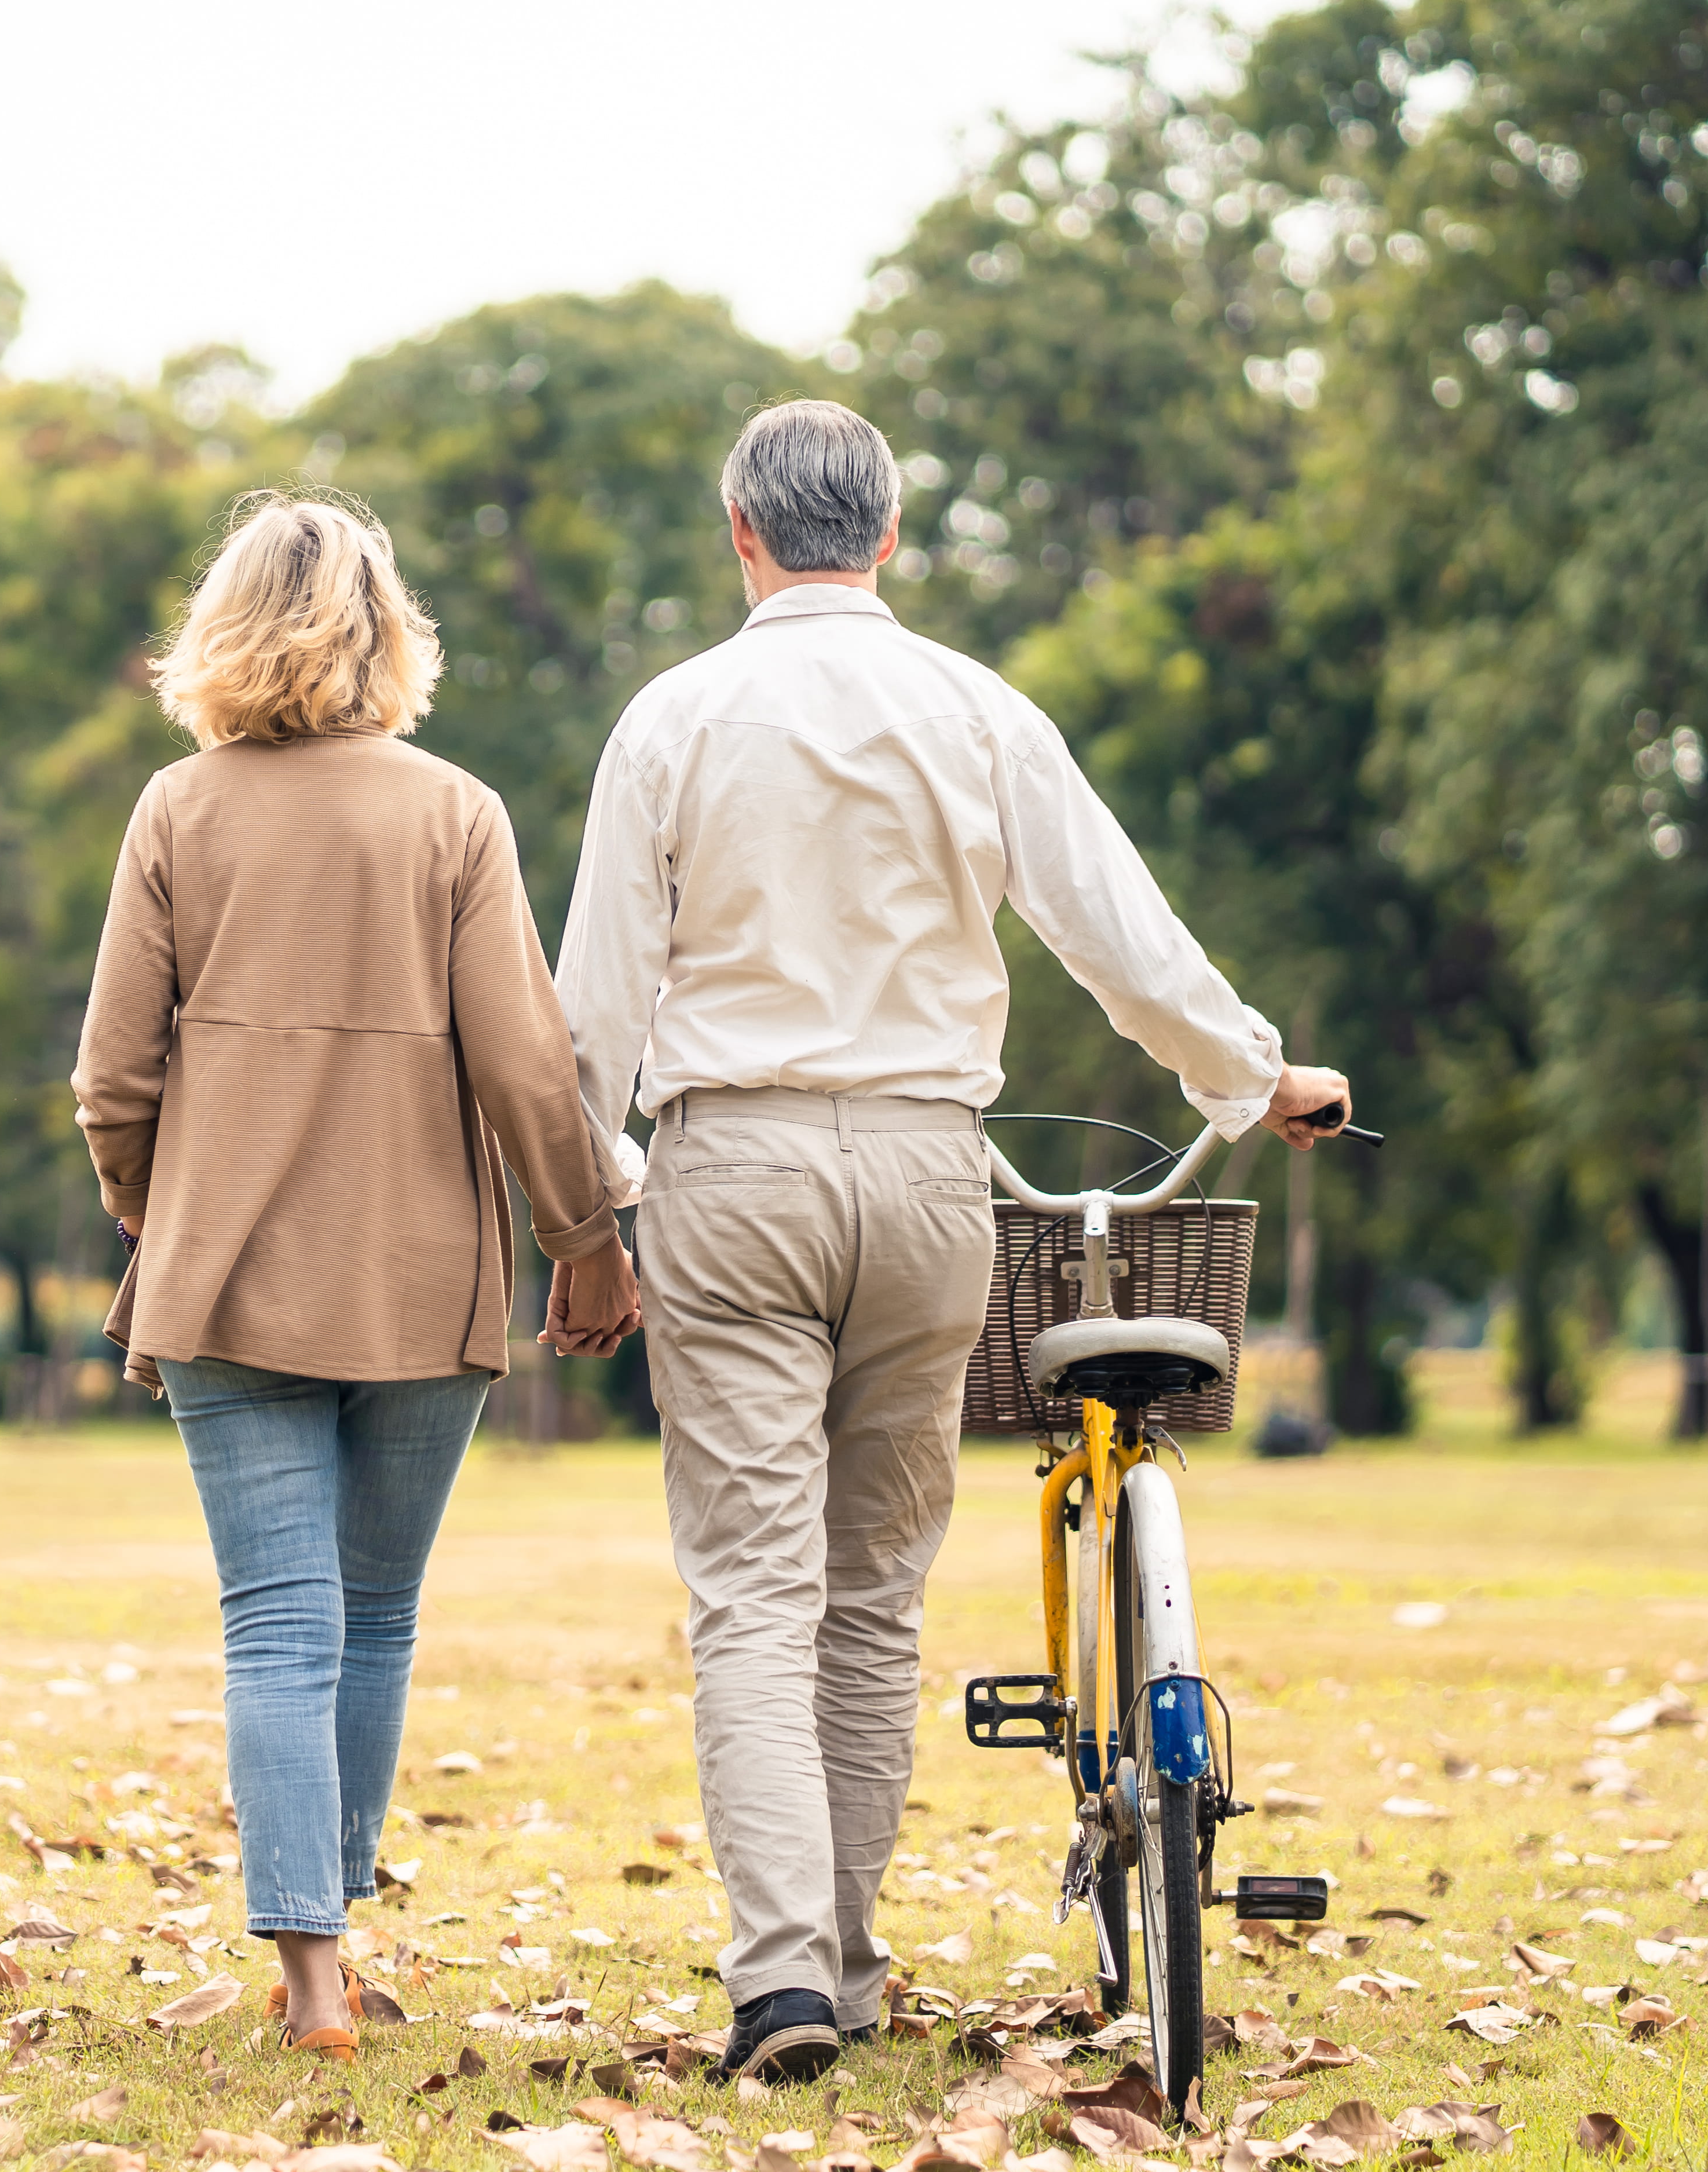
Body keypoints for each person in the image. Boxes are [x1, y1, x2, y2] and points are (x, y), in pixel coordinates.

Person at [546, 400, 1353, 2084]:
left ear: (738, 529)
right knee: (872, 1596)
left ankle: (787, 1979)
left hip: (730, 1171)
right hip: (928, 1180)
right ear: (890, 535)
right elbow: (1119, 944)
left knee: (753, 1594)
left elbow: (593, 1014)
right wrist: (1250, 1075)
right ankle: (838, 1967)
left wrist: (589, 1204)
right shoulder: (976, 711)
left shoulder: (672, 719)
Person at [74, 492, 638, 2064]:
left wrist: (152, 1206)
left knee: (276, 1625)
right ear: (391, 633)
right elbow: (529, 1066)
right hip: (416, 1277)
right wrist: (580, 1237)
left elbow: (114, 1075)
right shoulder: (453, 813)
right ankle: (335, 1946)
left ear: (219, 635)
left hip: (227, 1278)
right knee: (371, 1619)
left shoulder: (175, 813)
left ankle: (309, 1975)